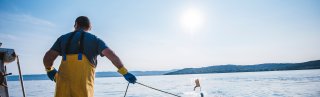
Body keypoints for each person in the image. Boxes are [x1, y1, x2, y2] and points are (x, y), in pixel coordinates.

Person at [43, 16, 137, 97]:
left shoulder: (62, 38)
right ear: (90, 27)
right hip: (83, 88)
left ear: (75, 24)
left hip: (62, 88)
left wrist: (49, 70)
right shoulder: (95, 39)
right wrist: (124, 72)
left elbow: (48, 57)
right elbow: (111, 54)